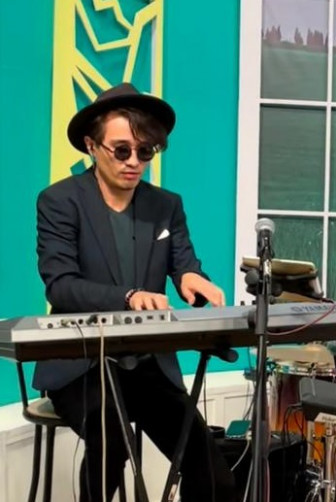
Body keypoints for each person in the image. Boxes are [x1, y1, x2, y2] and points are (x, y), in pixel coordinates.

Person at [34, 82, 237, 502]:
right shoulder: (59, 201)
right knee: (111, 439)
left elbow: (184, 263)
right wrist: (128, 297)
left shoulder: (166, 206)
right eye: (122, 150)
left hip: (146, 366)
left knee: (210, 467)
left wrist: (192, 278)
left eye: (145, 152)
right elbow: (61, 285)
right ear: (92, 146)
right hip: (80, 365)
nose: (134, 162)